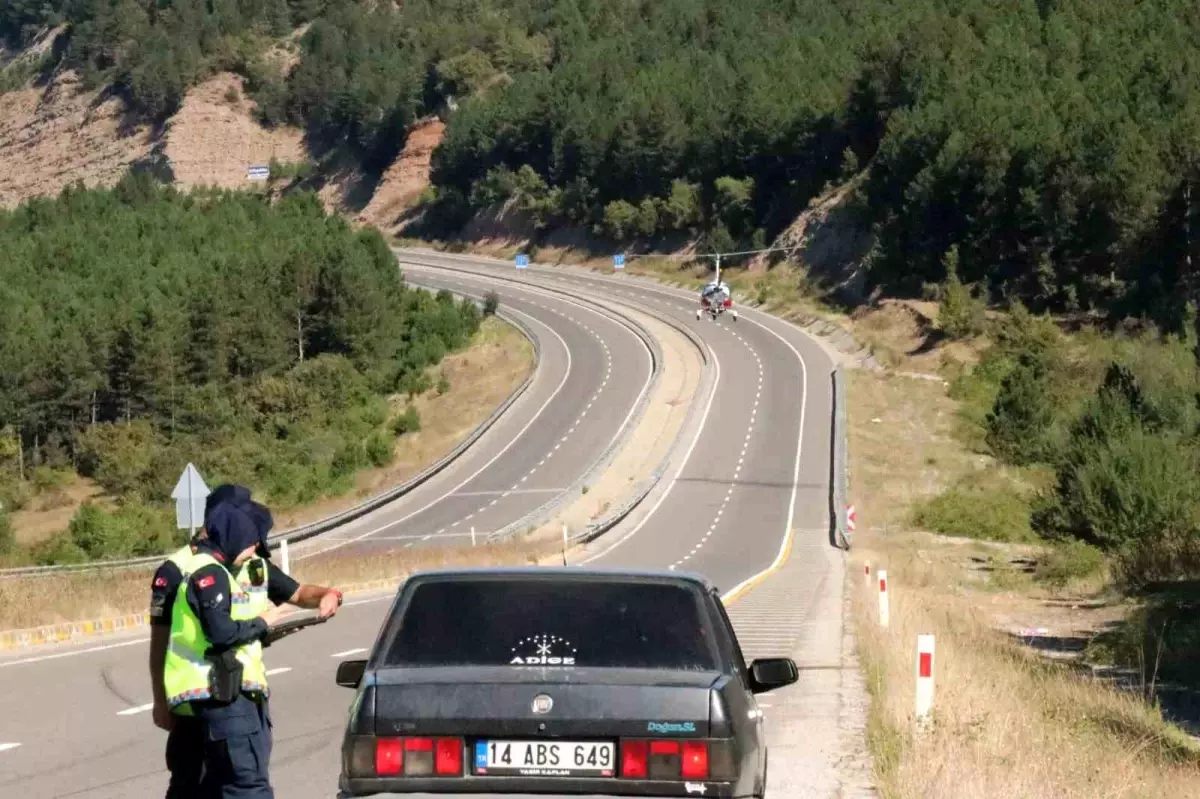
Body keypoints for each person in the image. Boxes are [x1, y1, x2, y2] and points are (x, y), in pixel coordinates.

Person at [161, 484, 343, 798]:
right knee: (235, 786)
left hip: (232, 688)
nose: (256, 542)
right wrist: (263, 623)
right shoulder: (187, 568)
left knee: (217, 787)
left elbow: (297, 592)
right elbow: (167, 637)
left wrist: (328, 595)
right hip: (209, 697)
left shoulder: (252, 564)